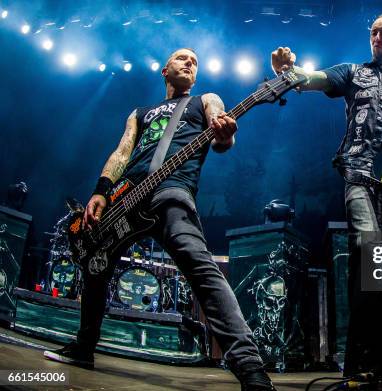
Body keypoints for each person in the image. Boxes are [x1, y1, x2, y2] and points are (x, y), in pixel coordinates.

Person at [44, 48, 275, 391]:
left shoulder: (205, 99)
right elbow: (123, 151)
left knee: (200, 267)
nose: (190, 62)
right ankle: (83, 347)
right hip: (124, 197)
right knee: (94, 264)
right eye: (182, 58)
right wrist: (101, 191)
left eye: (194, 61)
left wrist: (225, 133)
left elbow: (222, 132)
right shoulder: (141, 112)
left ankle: (251, 370)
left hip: (172, 191)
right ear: (165, 70)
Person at [271, 13, 382, 375]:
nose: (378, 37)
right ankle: (364, 361)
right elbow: (314, 79)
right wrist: (289, 71)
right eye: (373, 32)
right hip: (364, 172)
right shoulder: (354, 72)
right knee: (366, 250)